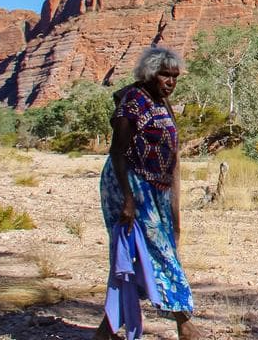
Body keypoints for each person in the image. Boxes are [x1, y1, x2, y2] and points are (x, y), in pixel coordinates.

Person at [94, 46, 200, 340]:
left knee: (139, 254)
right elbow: (118, 152)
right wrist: (128, 200)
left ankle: (107, 329)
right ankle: (185, 325)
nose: (170, 81)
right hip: (128, 185)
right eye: (164, 75)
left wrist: (175, 212)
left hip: (155, 189)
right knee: (154, 252)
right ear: (150, 74)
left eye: (175, 76)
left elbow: (174, 156)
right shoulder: (133, 101)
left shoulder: (162, 104)